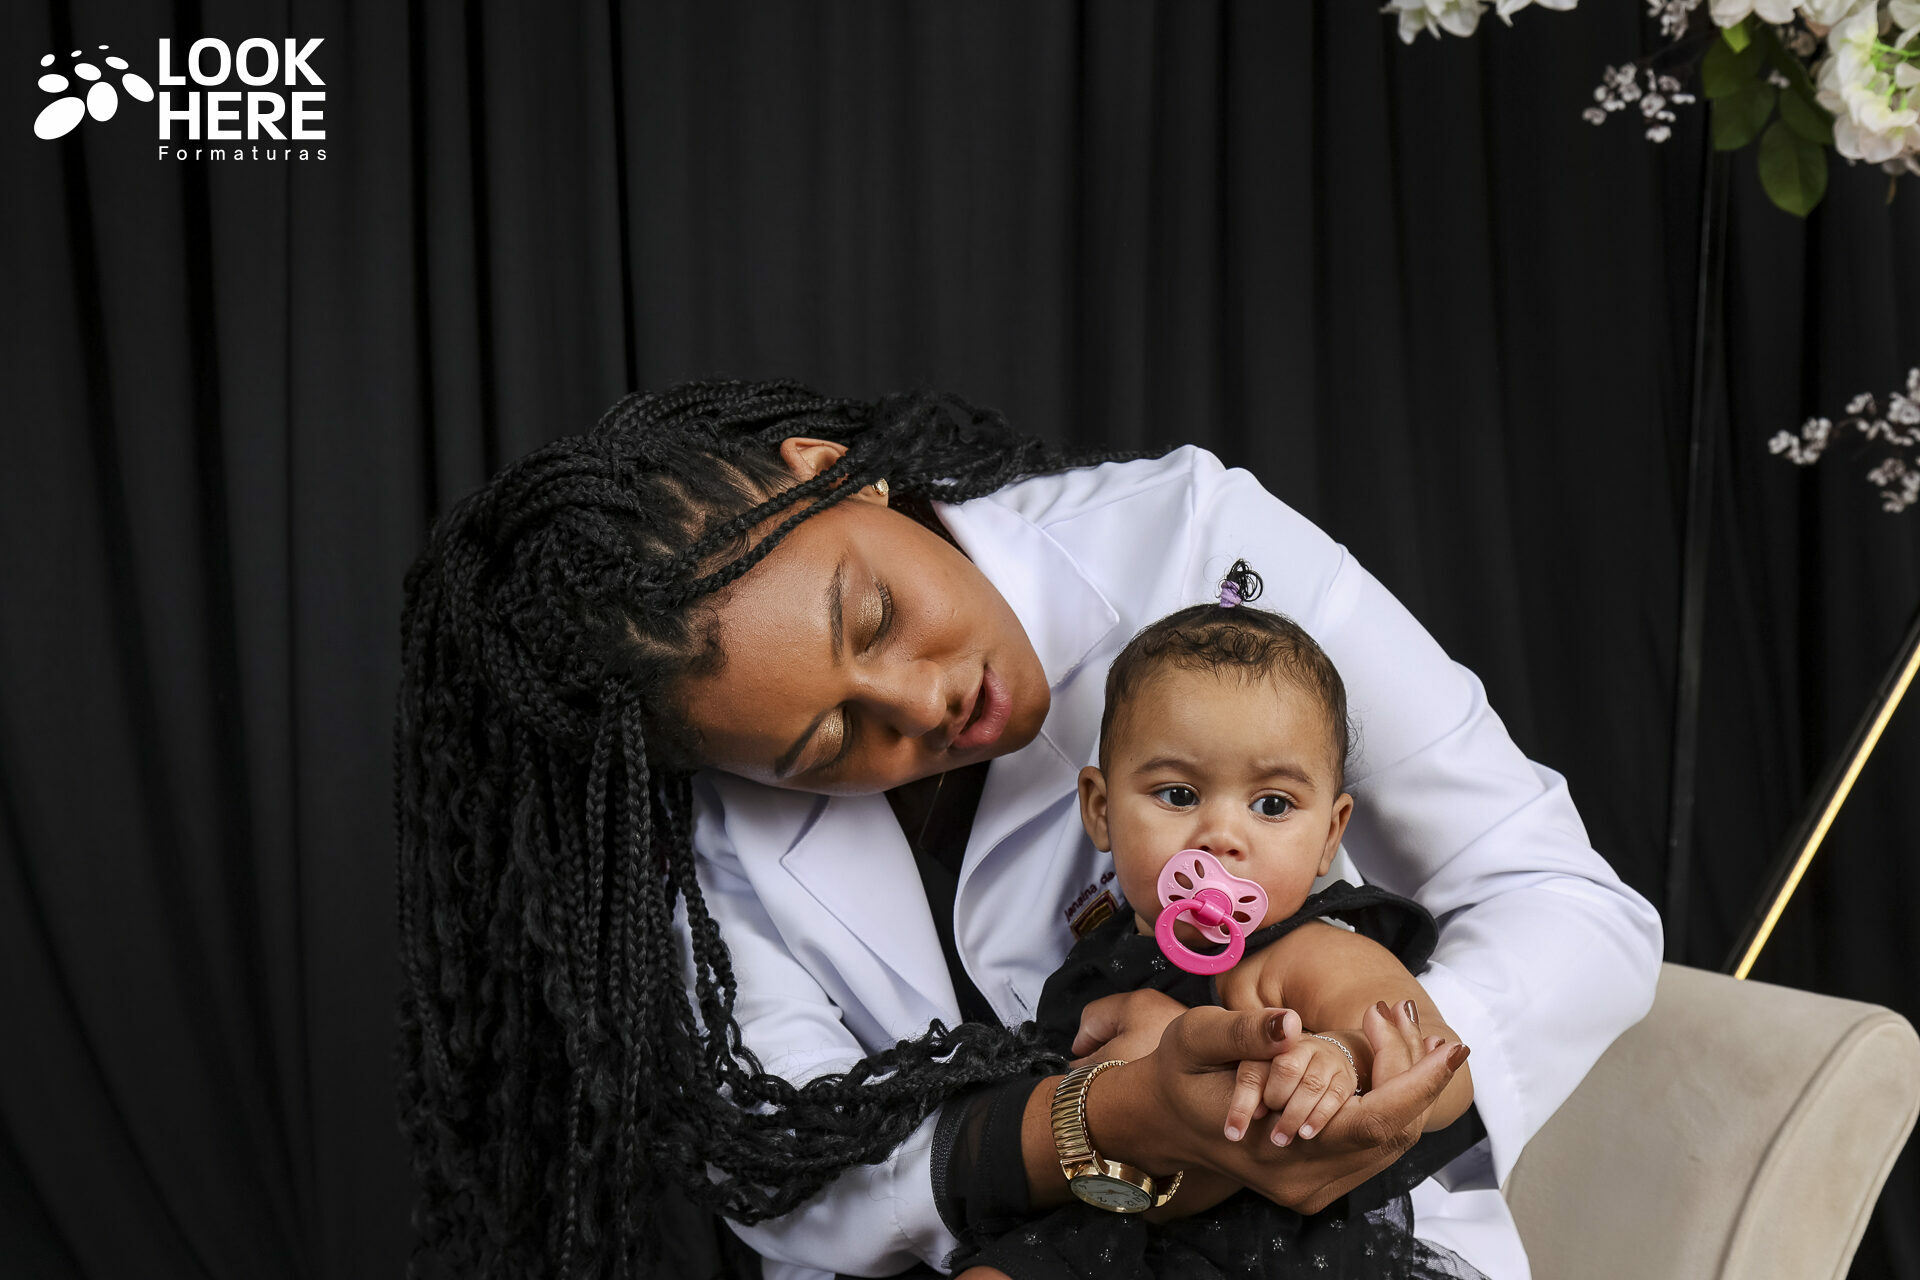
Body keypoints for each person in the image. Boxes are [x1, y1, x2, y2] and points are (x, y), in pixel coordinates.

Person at [393, 379, 1664, 1280]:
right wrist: (1108, 1119)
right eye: (827, 740)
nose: (921, 702)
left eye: (873, 615)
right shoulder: (713, 822)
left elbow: (1566, 902)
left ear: (828, 469)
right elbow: (790, 1177)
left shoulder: (1190, 542)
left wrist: (1362, 1078)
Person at [949, 559, 1489, 1280]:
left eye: (1272, 805)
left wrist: (1338, 1059)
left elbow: (1443, 1073)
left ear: (1330, 836)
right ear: (1101, 810)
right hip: (1104, 1222)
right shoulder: (1098, 948)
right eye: (1178, 794)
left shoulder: (1307, 953)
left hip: (1263, 1250)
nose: (1222, 836)